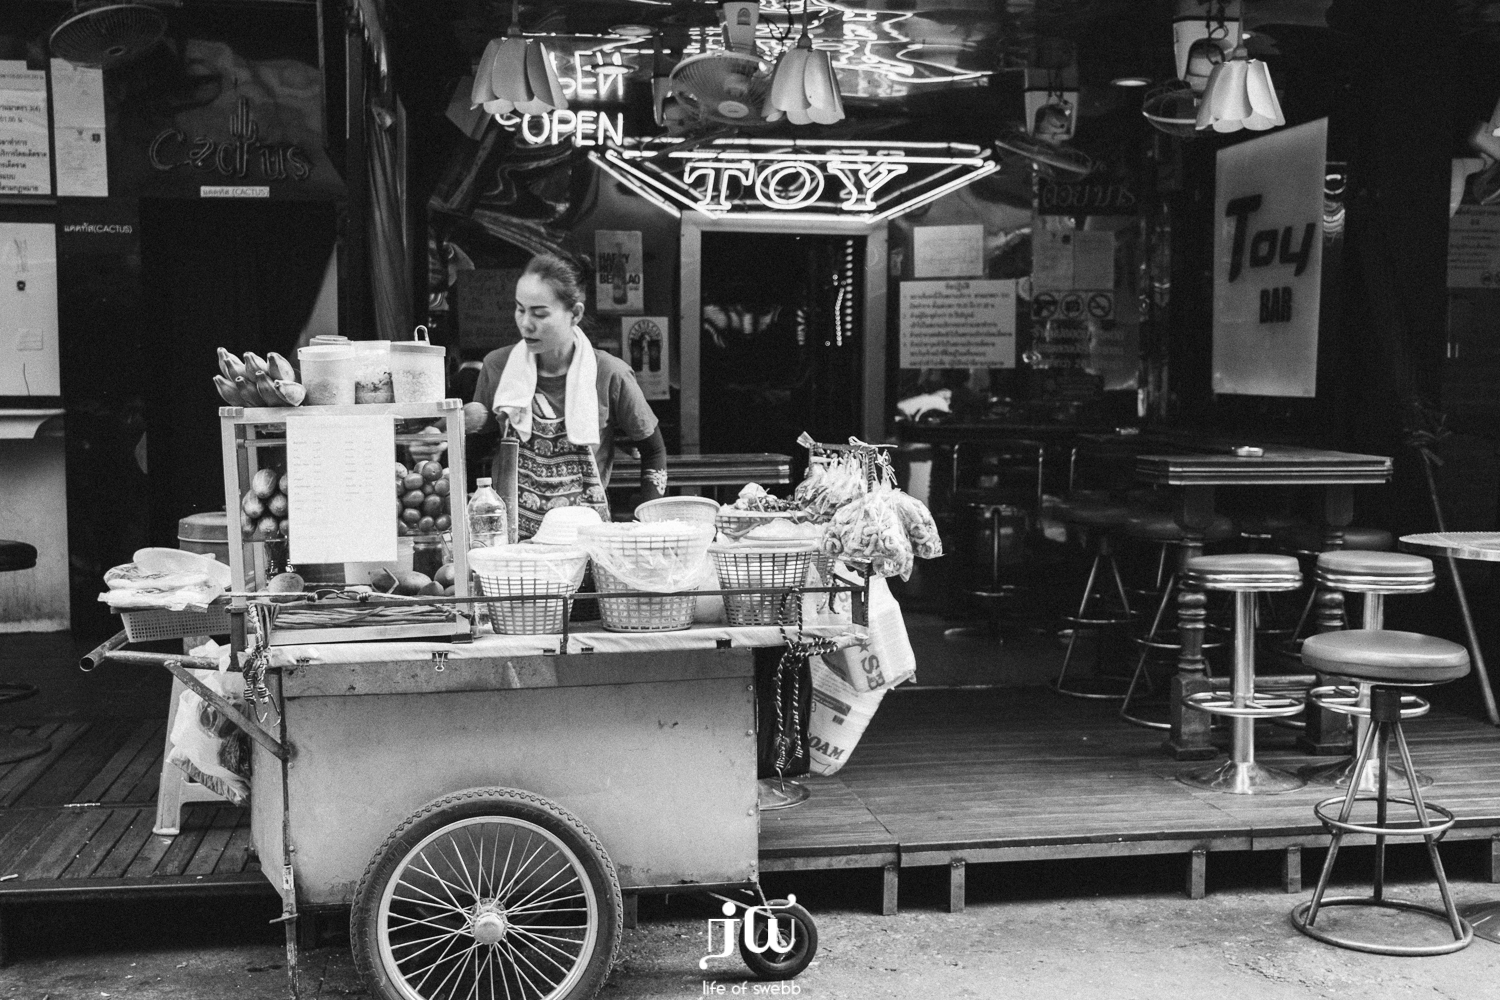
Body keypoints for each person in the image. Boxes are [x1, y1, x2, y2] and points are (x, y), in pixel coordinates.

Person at [464, 252, 667, 539]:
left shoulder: (610, 374)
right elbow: (476, 450)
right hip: (511, 543)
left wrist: (646, 523)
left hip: (586, 541)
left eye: (540, 313)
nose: (525, 323)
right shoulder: (497, 367)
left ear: (576, 314)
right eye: (520, 309)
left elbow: (654, 450)